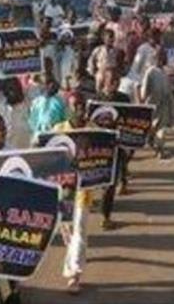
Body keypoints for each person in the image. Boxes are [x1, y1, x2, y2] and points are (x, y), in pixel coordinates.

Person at [52, 92, 93, 293]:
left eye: (82, 105)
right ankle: (74, 255)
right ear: (68, 108)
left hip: (83, 191)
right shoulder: (58, 131)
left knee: (79, 231)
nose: (79, 109)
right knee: (68, 231)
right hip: (63, 191)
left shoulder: (94, 131)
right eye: (75, 105)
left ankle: (74, 275)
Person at [96, 68, 131, 230]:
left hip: (117, 147)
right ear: (104, 81)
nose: (114, 84)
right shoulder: (96, 101)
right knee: (101, 182)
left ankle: (105, 216)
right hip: (99, 149)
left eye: (117, 81)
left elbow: (131, 121)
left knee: (110, 183)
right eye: (111, 81)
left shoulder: (124, 99)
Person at [140, 47, 174, 161]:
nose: (161, 59)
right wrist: (143, 99)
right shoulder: (150, 72)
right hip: (153, 104)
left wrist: (173, 92)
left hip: (164, 104)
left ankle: (160, 148)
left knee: (162, 128)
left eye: (163, 57)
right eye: (158, 57)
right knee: (153, 126)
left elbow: (168, 86)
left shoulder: (165, 71)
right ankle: (151, 139)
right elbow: (144, 90)